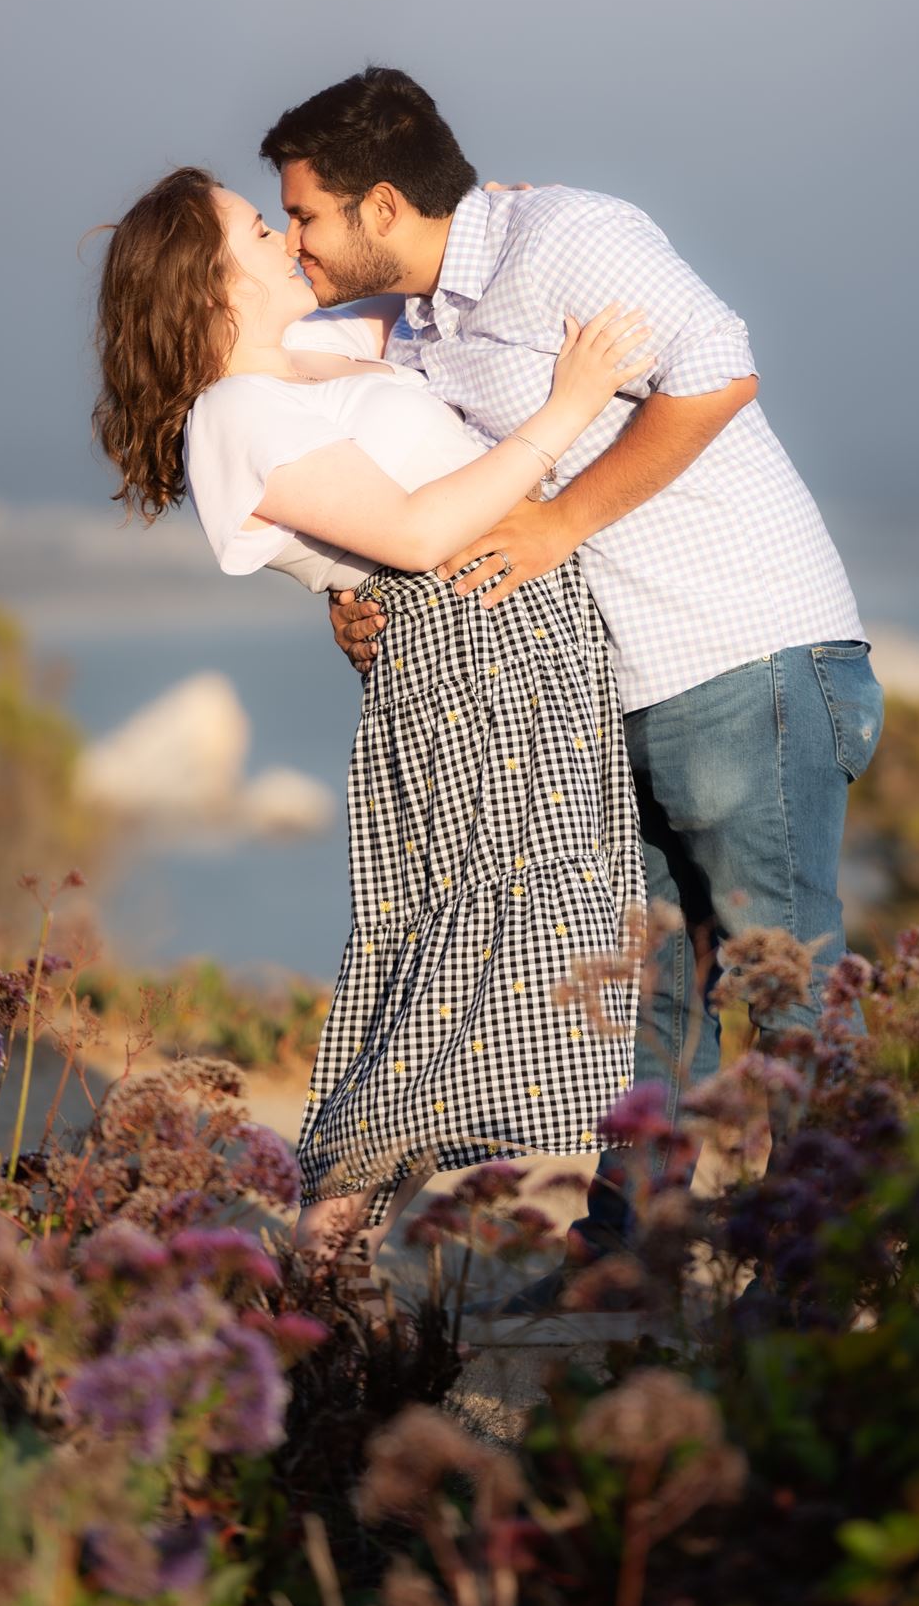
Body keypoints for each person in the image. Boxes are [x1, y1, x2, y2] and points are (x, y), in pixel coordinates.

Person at [258, 67, 885, 1306]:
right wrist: (354, 595)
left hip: (742, 654)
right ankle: (631, 1268)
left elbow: (719, 371)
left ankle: (838, 1269)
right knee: (649, 995)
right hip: (614, 697)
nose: (296, 240)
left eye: (309, 216)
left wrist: (559, 527)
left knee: (785, 977)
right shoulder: (430, 320)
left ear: (383, 203)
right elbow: (377, 474)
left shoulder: (569, 236)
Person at [91, 165, 652, 1266]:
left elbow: (423, 300)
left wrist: (487, 216)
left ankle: (350, 1244)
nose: (288, 237)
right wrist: (569, 413)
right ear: (212, 284)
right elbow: (411, 535)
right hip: (465, 661)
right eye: (262, 228)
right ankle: (331, 1238)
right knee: (459, 943)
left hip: (525, 646)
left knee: (538, 923)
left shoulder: (316, 357)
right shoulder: (234, 413)